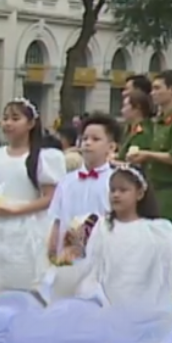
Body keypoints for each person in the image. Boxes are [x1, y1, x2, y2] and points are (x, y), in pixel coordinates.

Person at [0, 100, 65, 294]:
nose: (8, 124)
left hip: (26, 228)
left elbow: (50, 198)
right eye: (5, 119)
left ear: (30, 124)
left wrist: (15, 209)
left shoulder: (43, 158)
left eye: (15, 119)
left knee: (21, 282)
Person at [84, 163, 172, 335]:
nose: (116, 195)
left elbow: (164, 268)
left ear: (139, 193)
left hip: (147, 306)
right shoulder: (104, 227)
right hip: (112, 301)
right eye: (112, 190)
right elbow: (94, 265)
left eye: (123, 190)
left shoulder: (158, 231)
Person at [44, 113, 119, 301]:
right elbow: (57, 216)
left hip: (101, 255)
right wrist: (52, 247)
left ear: (111, 147)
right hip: (69, 255)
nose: (87, 143)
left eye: (95, 139)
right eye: (84, 138)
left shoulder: (115, 182)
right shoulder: (67, 181)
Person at [129, 70, 172, 263]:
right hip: (153, 187)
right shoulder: (158, 122)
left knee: (170, 245)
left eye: (158, 88)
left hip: (171, 191)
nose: (152, 93)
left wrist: (147, 155)